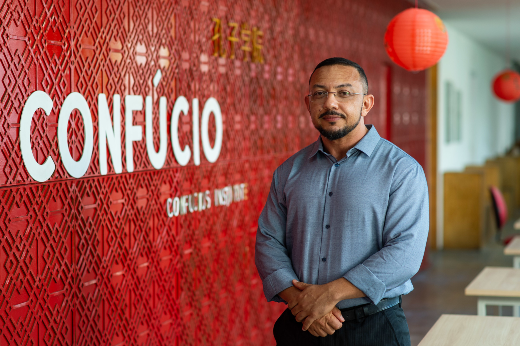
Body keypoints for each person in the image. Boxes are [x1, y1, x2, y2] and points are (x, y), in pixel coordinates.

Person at [255, 57, 429, 346]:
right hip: (302, 324)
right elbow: (268, 242)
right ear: (308, 102)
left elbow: (405, 252)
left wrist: (329, 294)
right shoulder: (289, 171)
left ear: (366, 104)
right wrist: (303, 301)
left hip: (374, 327)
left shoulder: (401, 170)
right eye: (320, 93)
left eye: (344, 93)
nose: (330, 103)